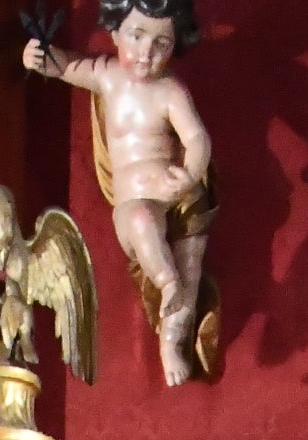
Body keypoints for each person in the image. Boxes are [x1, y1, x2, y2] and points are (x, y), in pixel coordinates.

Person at [24, 1, 217, 385]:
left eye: (161, 43)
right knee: (143, 223)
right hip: (133, 203)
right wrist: (36, 56)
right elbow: (62, 66)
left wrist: (191, 173)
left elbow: (196, 138)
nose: (147, 52)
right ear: (114, 34)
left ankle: (172, 343)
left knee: (190, 269)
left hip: (173, 194)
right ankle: (166, 283)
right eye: (137, 36)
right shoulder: (107, 76)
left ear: (176, 44)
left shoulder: (170, 91)